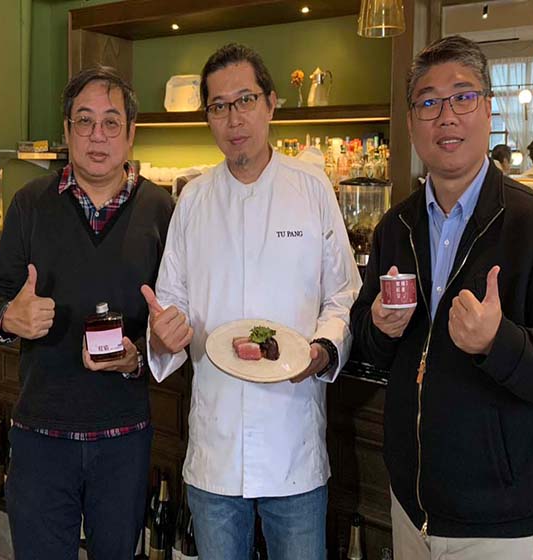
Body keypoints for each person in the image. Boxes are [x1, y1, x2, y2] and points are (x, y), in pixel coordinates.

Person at [350, 36, 533, 560]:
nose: (446, 115)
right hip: (410, 508)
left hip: (498, 526)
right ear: (411, 122)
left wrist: (499, 342)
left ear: (489, 111)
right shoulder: (395, 228)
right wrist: (378, 327)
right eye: (428, 102)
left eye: (463, 97)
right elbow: (368, 338)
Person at [142, 43, 361, 560]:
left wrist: (324, 350)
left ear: (271, 103)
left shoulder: (311, 189)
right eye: (219, 106)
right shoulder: (193, 199)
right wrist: (162, 335)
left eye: (245, 100)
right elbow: (170, 303)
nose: (234, 118)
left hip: (294, 445)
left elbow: (343, 294)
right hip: (215, 448)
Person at [0, 66, 174, 559]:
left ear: (131, 132)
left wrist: (137, 356)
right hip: (41, 434)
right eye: (84, 121)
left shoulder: (162, 210)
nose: (97, 135)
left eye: (111, 122)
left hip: (123, 438)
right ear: (67, 131)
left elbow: (175, 317)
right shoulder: (29, 204)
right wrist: (9, 319)